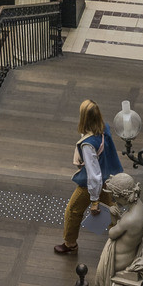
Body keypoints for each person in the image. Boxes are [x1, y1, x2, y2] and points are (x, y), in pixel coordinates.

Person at [55, 98, 120, 256]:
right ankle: (120, 245)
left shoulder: (88, 144)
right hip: (109, 178)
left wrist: (94, 201)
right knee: (113, 212)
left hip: (93, 183)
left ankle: (70, 243)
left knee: (73, 211)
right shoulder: (104, 128)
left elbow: (93, 174)